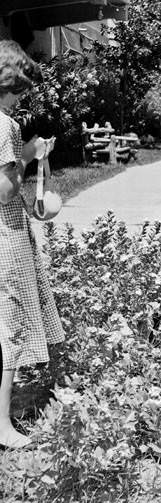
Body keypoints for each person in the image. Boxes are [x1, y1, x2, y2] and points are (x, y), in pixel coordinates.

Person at [0, 40, 64, 449]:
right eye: (22, 88)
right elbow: (4, 191)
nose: (23, 97)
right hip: (4, 237)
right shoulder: (5, 125)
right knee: (11, 331)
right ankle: (2, 427)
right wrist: (27, 155)